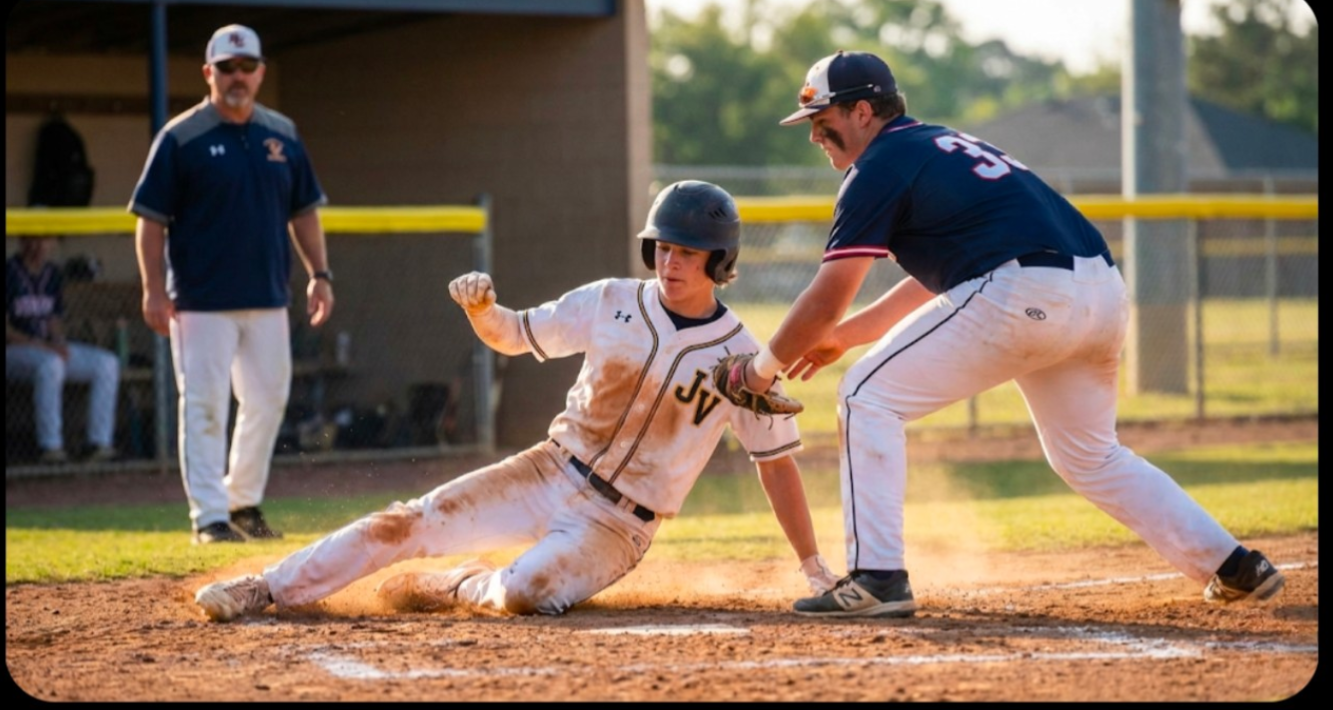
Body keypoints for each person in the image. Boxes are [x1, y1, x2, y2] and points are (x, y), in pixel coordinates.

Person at [733, 51, 1284, 617]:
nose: (814, 135)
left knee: (866, 395)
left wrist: (758, 371)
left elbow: (828, 294)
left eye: (823, 120)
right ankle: (1234, 566)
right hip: (1099, 292)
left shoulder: (878, 165)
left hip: (1023, 291)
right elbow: (937, 282)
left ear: (864, 111)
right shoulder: (937, 145)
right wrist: (846, 337)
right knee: (1090, 456)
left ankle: (878, 578)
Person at [193, 180, 841, 622]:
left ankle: (460, 583)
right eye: (663, 247)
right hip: (547, 469)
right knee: (405, 521)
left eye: (688, 252)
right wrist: (481, 309)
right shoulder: (612, 299)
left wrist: (812, 567)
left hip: (618, 525)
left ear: (719, 260)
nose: (670, 262)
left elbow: (776, 463)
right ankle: (266, 588)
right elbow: (510, 333)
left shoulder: (744, 360)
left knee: (526, 594)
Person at [128, 24, 334, 545]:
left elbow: (304, 211)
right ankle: (209, 518)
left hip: (267, 297)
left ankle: (242, 503)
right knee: (204, 405)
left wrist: (320, 274)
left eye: (247, 67)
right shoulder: (180, 137)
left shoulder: (282, 132)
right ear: (208, 73)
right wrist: (153, 288)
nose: (237, 76)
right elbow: (150, 220)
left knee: (267, 401)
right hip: (199, 301)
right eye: (227, 67)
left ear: (261, 71)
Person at [5, 236, 120, 464]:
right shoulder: (8, 272)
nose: (38, 247)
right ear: (21, 241)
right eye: (33, 240)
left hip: (46, 350)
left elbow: (54, 318)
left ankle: (98, 443)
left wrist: (58, 341)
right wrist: (42, 346)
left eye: (44, 240)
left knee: (107, 364)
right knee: (51, 365)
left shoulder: (53, 273)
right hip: (15, 351)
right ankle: (51, 447)